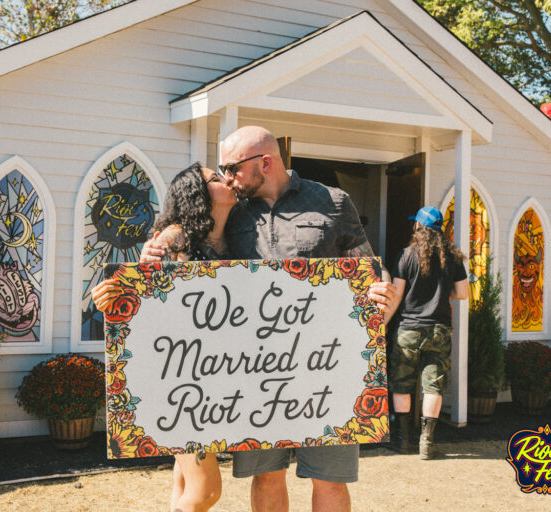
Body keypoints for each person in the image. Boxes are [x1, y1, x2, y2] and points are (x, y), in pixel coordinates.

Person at [142, 126, 397, 512]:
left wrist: (383, 297)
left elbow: (371, 275)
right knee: (266, 477)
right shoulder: (231, 210)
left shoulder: (333, 201)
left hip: (326, 367)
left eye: (231, 167)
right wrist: (157, 248)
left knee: (330, 481)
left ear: (265, 162)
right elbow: (187, 250)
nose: (226, 177)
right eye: (221, 171)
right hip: (255, 373)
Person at [91, 162, 236, 512]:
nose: (225, 179)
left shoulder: (234, 238)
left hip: (213, 375)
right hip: (177, 379)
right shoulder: (175, 238)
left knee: (183, 481)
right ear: (197, 193)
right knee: (206, 491)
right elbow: (143, 300)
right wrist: (108, 294)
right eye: (215, 177)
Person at [386, 206, 468, 460]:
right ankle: (427, 444)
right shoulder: (453, 258)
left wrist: (382, 323)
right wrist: (443, 293)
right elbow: (463, 293)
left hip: (408, 330)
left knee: (402, 384)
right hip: (439, 329)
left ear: (417, 227)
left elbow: (397, 294)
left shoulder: (406, 255)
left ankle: (404, 441)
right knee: (433, 386)